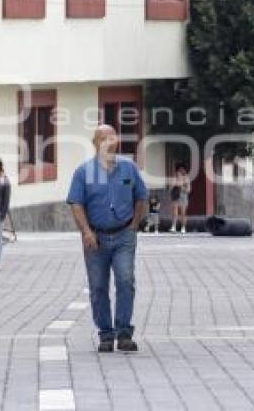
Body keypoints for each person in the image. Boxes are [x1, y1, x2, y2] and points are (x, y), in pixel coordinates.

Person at [67, 125, 148, 353]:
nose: (109, 141)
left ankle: (123, 332)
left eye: (112, 137)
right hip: (96, 237)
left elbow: (141, 197)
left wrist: (134, 225)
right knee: (98, 287)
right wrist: (85, 231)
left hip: (124, 235)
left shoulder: (129, 168)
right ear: (95, 143)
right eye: (104, 138)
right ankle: (105, 333)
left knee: (125, 280)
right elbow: (76, 203)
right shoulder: (83, 172)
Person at [169, 164, 190, 233]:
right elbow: (170, 187)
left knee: (183, 213)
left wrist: (181, 187)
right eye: (179, 170)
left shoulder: (186, 178)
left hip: (183, 197)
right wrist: (174, 184)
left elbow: (188, 190)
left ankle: (183, 227)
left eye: (182, 170)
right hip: (175, 196)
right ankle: (173, 226)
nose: (180, 172)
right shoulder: (174, 178)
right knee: (174, 212)